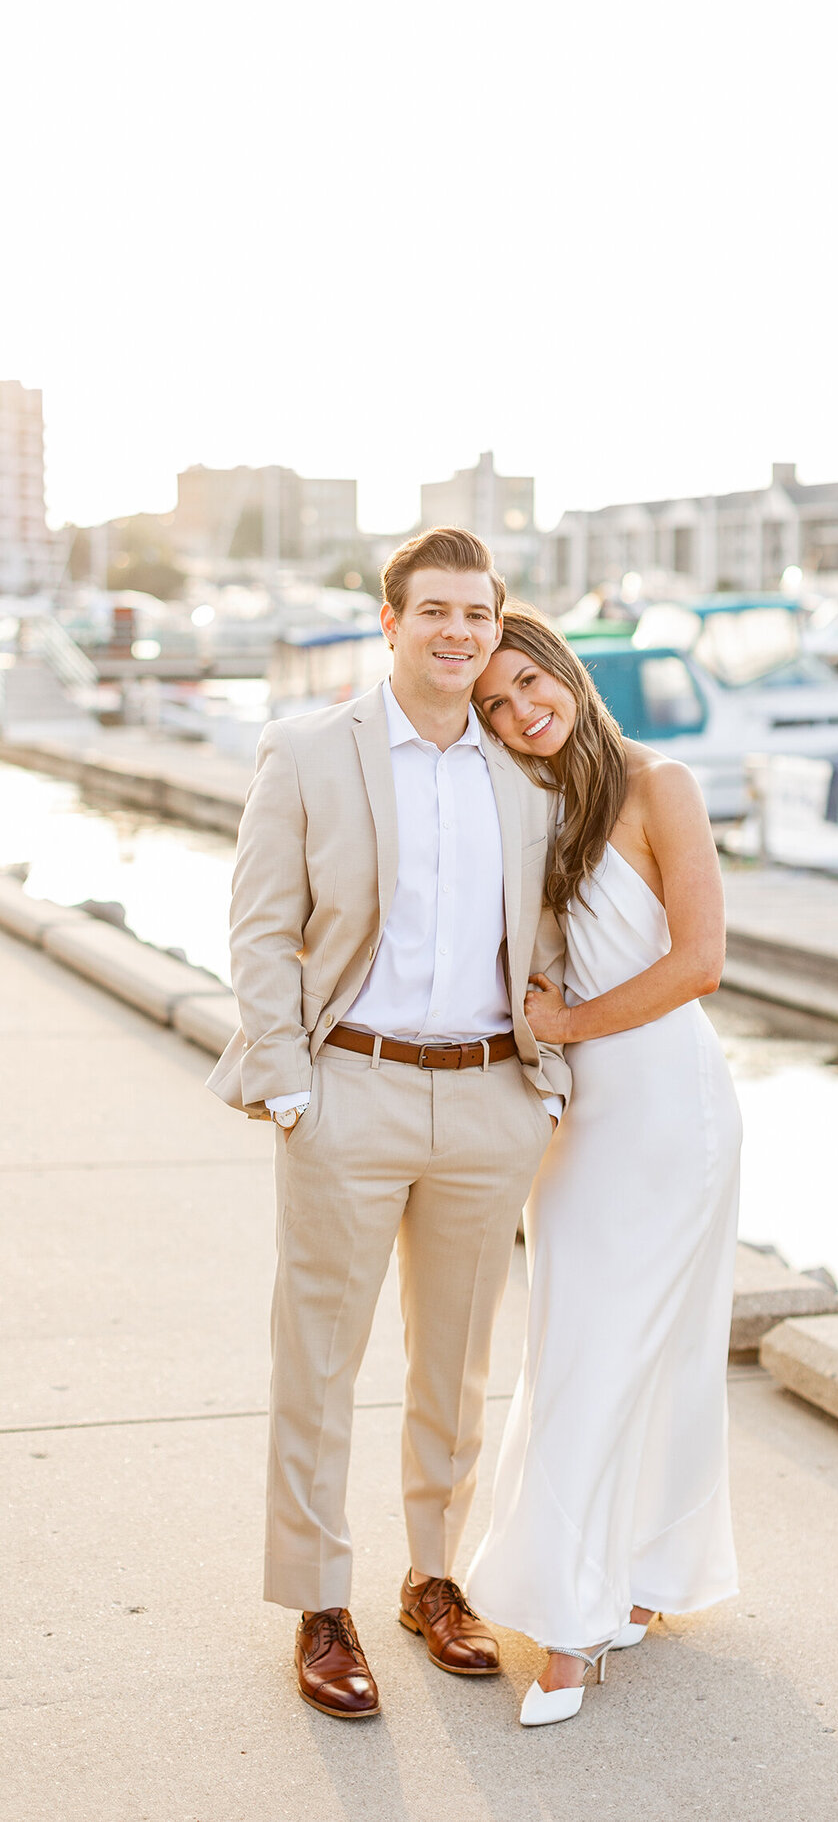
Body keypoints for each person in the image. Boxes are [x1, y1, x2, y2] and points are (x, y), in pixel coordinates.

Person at [207, 529, 570, 1719]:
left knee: (456, 1365)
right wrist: (288, 1080)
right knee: (317, 1358)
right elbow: (261, 927)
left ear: (496, 621)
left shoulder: (523, 764)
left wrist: (546, 1074)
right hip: (349, 1089)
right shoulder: (311, 749)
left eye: (478, 612)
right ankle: (320, 1602)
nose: (459, 633)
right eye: (436, 613)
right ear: (391, 622)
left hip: (487, 1094)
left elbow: (553, 927)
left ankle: (435, 1579)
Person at [467, 607, 742, 1727]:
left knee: (628, 1348)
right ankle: (626, 1573)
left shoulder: (658, 781)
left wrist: (570, 1020)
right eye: (496, 705)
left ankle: (578, 1626)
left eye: (530, 684)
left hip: (670, 1107)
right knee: (581, 1341)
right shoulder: (537, 798)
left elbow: (701, 959)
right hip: (579, 1118)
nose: (522, 712)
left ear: (567, 672)